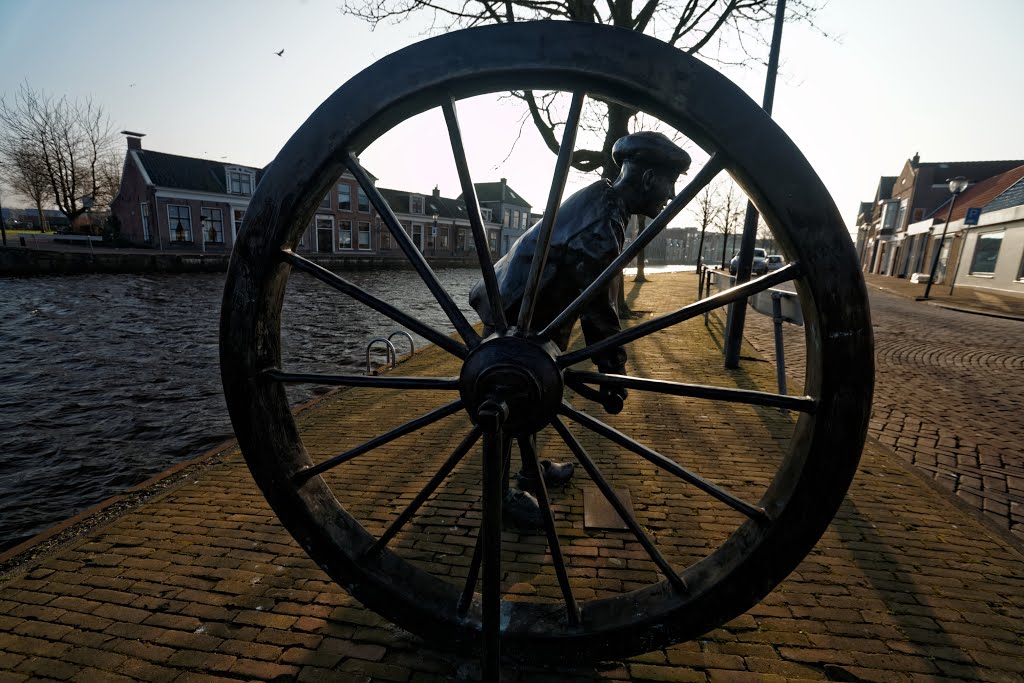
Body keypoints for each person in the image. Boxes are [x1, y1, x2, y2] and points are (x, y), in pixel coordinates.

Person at [469, 131, 691, 528]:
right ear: (646, 180)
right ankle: (500, 497)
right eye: (669, 182)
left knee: (530, 390)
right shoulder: (602, 226)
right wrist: (613, 371)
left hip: (533, 308)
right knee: (508, 387)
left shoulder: (602, 197)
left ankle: (528, 471)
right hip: (516, 310)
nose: (671, 194)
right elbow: (598, 309)